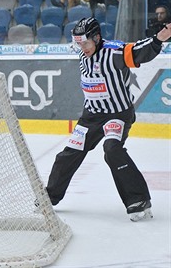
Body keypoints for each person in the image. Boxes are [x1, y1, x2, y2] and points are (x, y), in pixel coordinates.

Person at [45, 17, 171, 222]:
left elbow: (139, 50)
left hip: (117, 114)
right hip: (91, 116)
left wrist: (159, 38)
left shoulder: (114, 52)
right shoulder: (83, 53)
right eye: (78, 43)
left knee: (112, 150)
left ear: (96, 38)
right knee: (68, 154)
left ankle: (138, 199)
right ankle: (50, 196)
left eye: (85, 42)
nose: (82, 47)